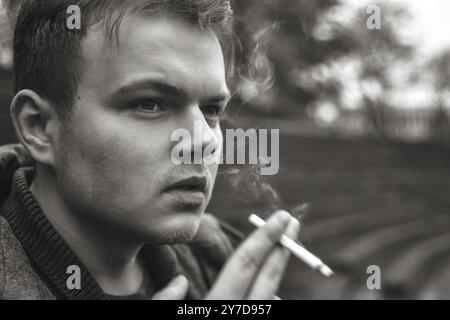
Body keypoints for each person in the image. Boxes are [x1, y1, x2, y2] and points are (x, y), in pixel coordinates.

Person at [0, 0, 300, 300]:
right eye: (150, 104)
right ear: (38, 127)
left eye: (211, 110)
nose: (203, 141)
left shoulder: (215, 256)